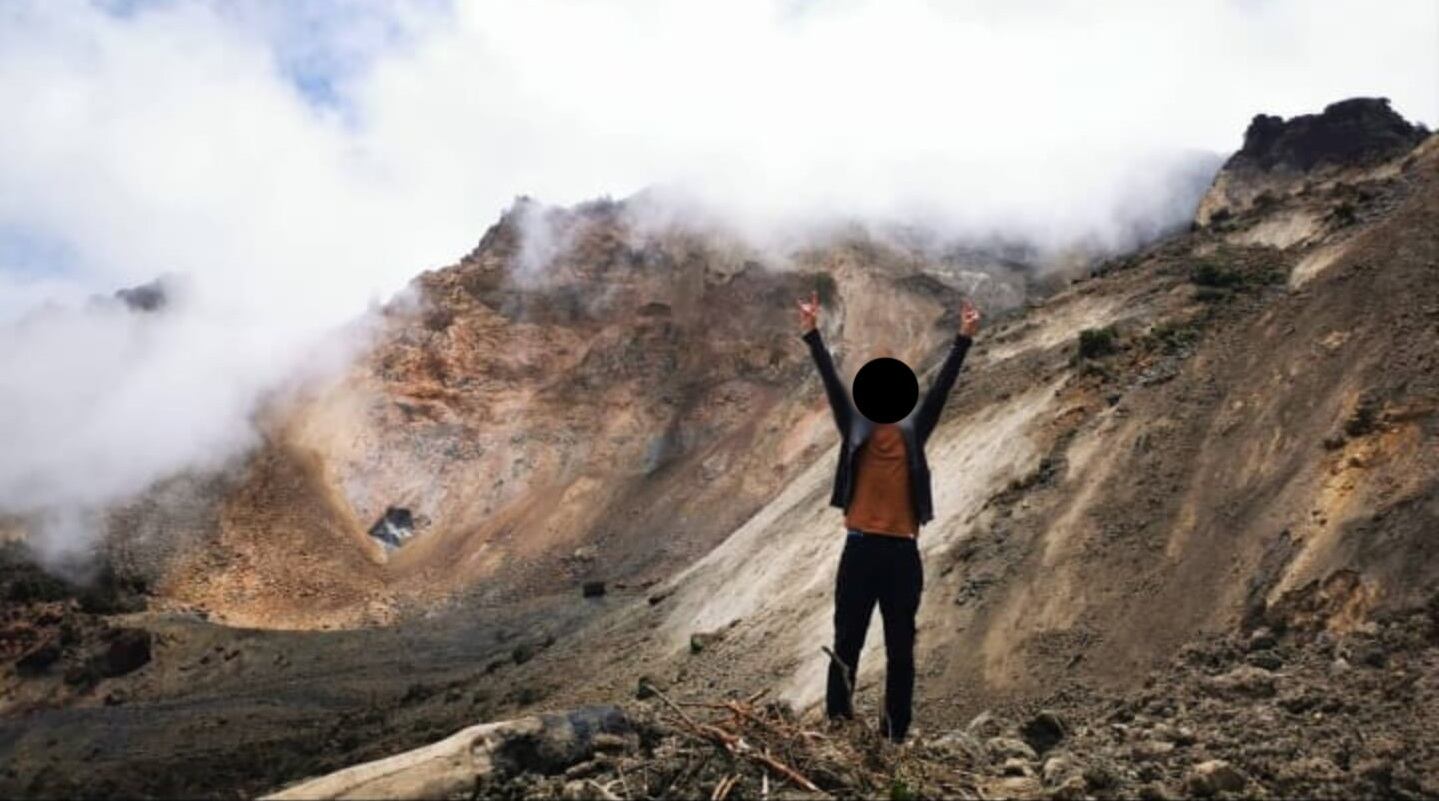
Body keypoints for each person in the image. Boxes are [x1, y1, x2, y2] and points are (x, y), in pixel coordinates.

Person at [796, 289, 981, 743]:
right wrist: (812, 334)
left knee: (901, 652)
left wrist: (963, 340)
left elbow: (941, 390)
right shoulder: (854, 426)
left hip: (902, 553)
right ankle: (839, 729)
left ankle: (895, 735)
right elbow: (831, 384)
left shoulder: (913, 430)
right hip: (859, 549)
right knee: (847, 644)